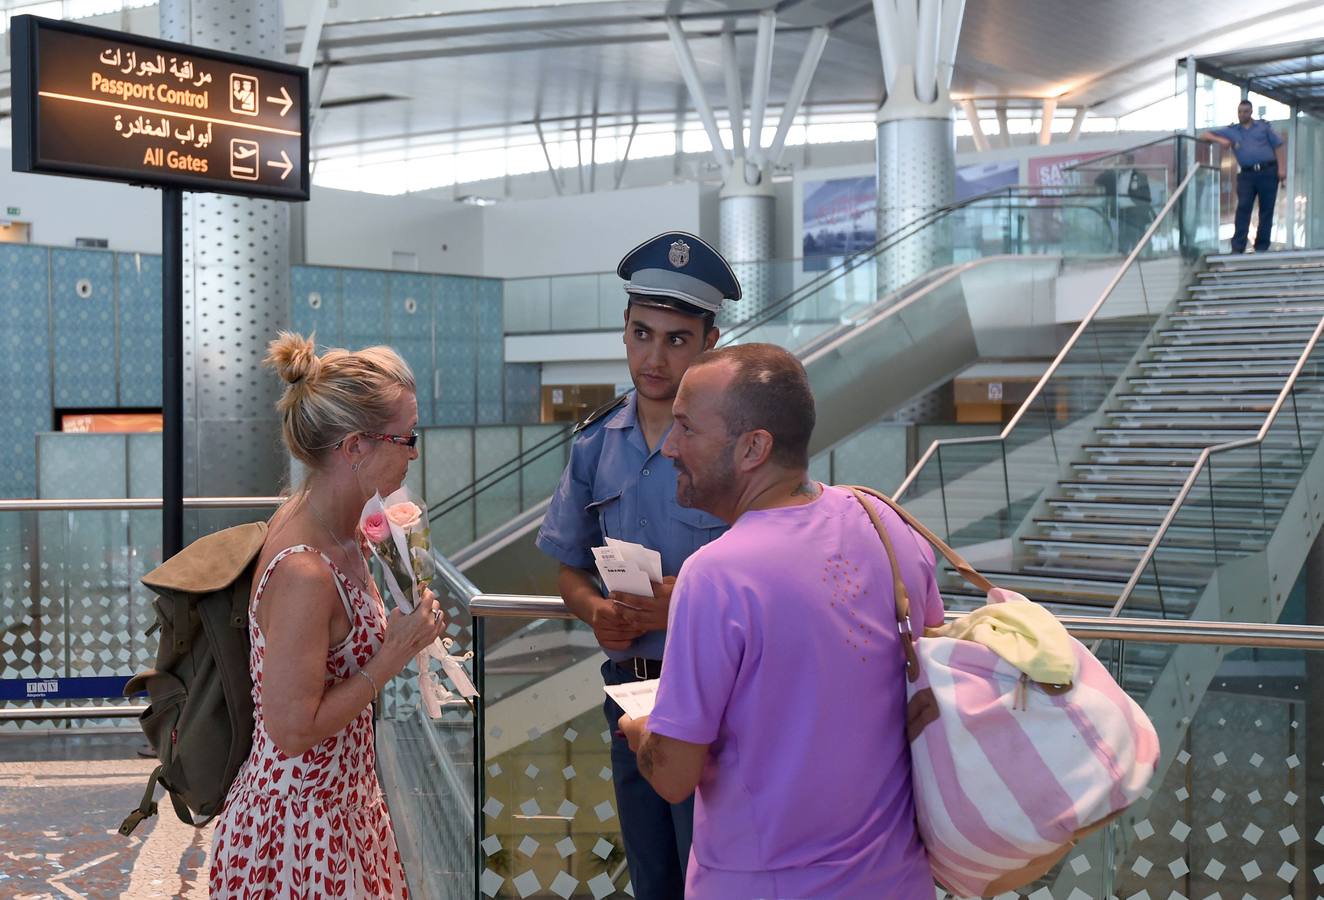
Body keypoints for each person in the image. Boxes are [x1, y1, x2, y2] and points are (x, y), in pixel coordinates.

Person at [619, 343, 944, 899]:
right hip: (898, 882)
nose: (671, 448)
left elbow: (673, 777)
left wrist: (639, 730)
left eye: (686, 428)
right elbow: (928, 691)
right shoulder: (887, 523)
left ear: (753, 447)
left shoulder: (717, 575)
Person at [535, 231, 738, 899]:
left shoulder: (734, 449)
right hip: (630, 694)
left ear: (710, 341)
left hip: (721, 696)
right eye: (642, 333)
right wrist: (594, 611)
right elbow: (568, 564)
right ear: (624, 329)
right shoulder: (595, 445)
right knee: (653, 877)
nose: (654, 356)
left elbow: (777, 570)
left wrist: (682, 602)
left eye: (677, 338)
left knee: (714, 875)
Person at [209, 332, 446, 899]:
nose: (413, 451)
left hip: (338, 809)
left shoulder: (336, 527)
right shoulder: (304, 570)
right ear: (355, 446)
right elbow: (291, 731)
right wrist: (391, 655)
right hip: (297, 833)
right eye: (405, 437)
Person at [1201, 100, 1286, 253]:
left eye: (1245, 111)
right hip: (1247, 174)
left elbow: (1278, 145)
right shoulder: (1232, 130)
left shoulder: (1263, 127)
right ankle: (1238, 245)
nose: (1242, 114)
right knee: (1243, 207)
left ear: (1251, 112)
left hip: (1268, 171)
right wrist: (1221, 140)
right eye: (1240, 111)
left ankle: (1261, 246)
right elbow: (1204, 135)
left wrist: (1282, 169)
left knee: (1266, 209)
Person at [1094, 152, 1153, 253]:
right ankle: (1123, 256)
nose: (1119, 163)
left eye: (1121, 161)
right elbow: (1098, 180)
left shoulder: (1140, 176)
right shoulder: (1114, 176)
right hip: (1121, 213)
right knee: (1123, 241)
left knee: (1136, 240)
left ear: (1130, 162)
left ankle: (1138, 256)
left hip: (1135, 213)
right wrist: (1110, 168)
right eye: (1118, 161)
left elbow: (1146, 198)